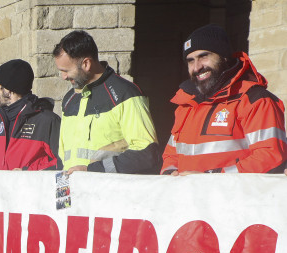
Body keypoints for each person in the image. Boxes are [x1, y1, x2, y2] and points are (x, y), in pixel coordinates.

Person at [162, 24, 287, 175]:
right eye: (190, 60)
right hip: (188, 196)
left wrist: (213, 178)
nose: (197, 67)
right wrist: (170, 173)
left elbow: (270, 156)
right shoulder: (186, 105)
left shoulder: (255, 100)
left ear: (224, 56)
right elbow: (171, 155)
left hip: (235, 197)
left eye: (204, 56)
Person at [53, 30, 161, 174]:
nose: (63, 77)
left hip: (109, 192)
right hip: (75, 192)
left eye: (66, 70)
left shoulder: (125, 93)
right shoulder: (69, 99)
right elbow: (63, 157)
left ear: (86, 64)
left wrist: (93, 170)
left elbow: (147, 153)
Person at [0, 59, 61, 174]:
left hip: (31, 190)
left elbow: (60, 162)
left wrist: (27, 172)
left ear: (8, 89)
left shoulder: (47, 121)